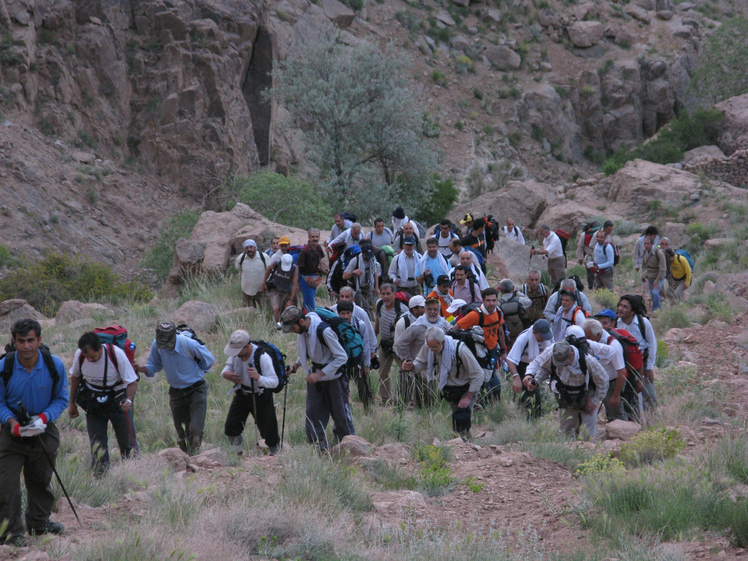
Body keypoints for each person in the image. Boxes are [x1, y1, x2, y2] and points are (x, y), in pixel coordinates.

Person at [0, 319, 68, 546]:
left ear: (39, 340)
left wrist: (43, 418)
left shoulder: (53, 365)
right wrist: (11, 422)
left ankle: (39, 523)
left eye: (31, 340)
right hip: (12, 432)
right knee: (6, 484)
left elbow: (61, 399)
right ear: (14, 342)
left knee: (41, 481)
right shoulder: (4, 368)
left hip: (43, 431)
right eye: (21, 341)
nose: (26, 346)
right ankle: (12, 533)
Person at [135, 322, 214, 455]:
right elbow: (155, 364)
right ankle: (185, 458)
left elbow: (209, 359)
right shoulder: (157, 345)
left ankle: (194, 456)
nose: (166, 348)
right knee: (181, 431)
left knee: (195, 429)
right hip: (176, 392)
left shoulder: (188, 344)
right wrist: (142, 369)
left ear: (174, 338)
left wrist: (199, 372)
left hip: (196, 389)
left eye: (169, 345)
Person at [282, 307, 354, 451]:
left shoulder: (325, 331)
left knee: (340, 415)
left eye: (293, 328)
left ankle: (348, 446)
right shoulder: (303, 331)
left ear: (301, 321)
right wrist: (296, 366)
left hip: (334, 378)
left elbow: (341, 357)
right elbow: (309, 351)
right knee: (313, 413)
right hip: (316, 377)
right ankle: (319, 448)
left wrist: (320, 374)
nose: (292, 331)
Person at [69, 331, 138, 476]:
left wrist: (129, 400)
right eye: (87, 357)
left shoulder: (116, 354)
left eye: (93, 356)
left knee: (127, 442)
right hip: (93, 401)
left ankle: (132, 474)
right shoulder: (80, 356)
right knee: (97, 443)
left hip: (118, 400)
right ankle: (100, 477)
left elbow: (131, 381)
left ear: (100, 348)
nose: (90, 360)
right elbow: (75, 377)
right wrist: (72, 403)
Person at [404, 327, 484, 440]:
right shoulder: (429, 347)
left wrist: (468, 397)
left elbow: (478, 374)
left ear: (443, 342)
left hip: (467, 388)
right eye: (429, 346)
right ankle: (466, 443)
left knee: (461, 419)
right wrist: (411, 366)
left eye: (435, 347)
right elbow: (421, 363)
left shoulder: (460, 350)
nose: (431, 349)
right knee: (457, 421)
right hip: (450, 390)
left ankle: (466, 447)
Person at [524, 339, 608, 440]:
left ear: (571, 354)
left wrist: (594, 401)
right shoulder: (552, 357)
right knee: (566, 432)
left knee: (587, 433)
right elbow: (545, 369)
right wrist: (537, 380)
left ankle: (587, 452)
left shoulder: (588, 361)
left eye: (563, 362)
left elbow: (603, 380)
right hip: (566, 396)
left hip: (587, 395)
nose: (561, 365)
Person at [221, 330, 280, 455]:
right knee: (231, 426)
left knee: (268, 430)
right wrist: (226, 374)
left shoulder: (262, 357)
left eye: (237, 351)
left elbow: (274, 382)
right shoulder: (236, 354)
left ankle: (275, 454)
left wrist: (258, 378)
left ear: (247, 347)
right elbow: (227, 368)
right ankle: (236, 452)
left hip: (261, 396)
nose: (235, 354)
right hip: (242, 393)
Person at [454, 288, 507, 404]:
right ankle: (482, 410)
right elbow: (455, 329)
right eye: (488, 300)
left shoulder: (498, 312)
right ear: (483, 300)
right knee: (487, 385)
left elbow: (500, 331)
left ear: (497, 300)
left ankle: (489, 409)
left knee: (491, 386)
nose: (491, 303)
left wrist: (503, 351)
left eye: (494, 300)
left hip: (492, 353)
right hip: (478, 355)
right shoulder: (475, 315)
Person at [595, 309, 643, 422]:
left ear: (613, 323)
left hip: (625, 380)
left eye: (605, 323)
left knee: (627, 410)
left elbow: (638, 357)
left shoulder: (619, 339)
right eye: (599, 323)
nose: (601, 326)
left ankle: (628, 434)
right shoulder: (598, 338)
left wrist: (640, 379)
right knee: (617, 411)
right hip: (615, 381)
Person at [577, 320, 628, 422]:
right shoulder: (595, 340)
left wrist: (616, 395)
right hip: (597, 382)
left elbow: (622, 372)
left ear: (598, 334)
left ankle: (622, 434)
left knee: (616, 414)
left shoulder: (614, 346)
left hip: (612, 384)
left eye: (589, 337)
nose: (586, 340)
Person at [617, 295, 657, 413]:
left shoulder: (643, 323)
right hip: (623, 364)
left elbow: (652, 344)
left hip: (642, 363)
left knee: (649, 396)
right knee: (627, 396)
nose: (620, 309)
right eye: (620, 305)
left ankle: (652, 424)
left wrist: (649, 367)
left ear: (632, 310)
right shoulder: (615, 323)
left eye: (625, 307)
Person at [507, 319, 554, 420]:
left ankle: (531, 418)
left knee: (532, 394)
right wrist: (516, 378)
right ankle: (529, 420)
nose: (545, 339)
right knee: (530, 394)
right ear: (534, 333)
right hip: (522, 366)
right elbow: (510, 360)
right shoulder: (524, 338)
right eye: (542, 336)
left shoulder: (548, 337)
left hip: (538, 365)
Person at [374, 284, 409, 406]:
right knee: (382, 373)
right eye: (383, 294)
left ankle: (404, 400)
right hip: (384, 345)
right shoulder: (379, 304)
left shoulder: (403, 309)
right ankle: (386, 400)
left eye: (388, 294)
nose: (385, 297)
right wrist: (374, 339)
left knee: (405, 373)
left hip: (398, 346)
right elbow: (377, 322)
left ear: (394, 294)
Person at [343, 241, 380, 315]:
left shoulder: (372, 260)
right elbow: (344, 276)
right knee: (367, 309)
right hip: (355, 289)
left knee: (364, 308)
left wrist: (376, 287)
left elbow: (374, 272)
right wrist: (353, 272)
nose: (368, 258)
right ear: (362, 253)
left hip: (367, 287)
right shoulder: (355, 261)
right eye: (367, 255)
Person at [296, 228, 326, 313]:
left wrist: (323, 270)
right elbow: (297, 267)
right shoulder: (304, 251)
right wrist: (298, 282)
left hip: (314, 277)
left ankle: (303, 318)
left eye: (317, 236)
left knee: (308, 301)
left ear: (319, 237)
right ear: (309, 238)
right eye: (313, 237)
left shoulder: (318, 248)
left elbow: (320, 259)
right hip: (304, 278)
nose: (315, 239)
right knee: (311, 304)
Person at [235, 239, 268, 308]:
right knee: (248, 313)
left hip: (261, 290)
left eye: (251, 247)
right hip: (246, 290)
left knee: (265, 310)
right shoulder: (241, 258)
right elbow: (239, 269)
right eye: (247, 248)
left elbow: (269, 270)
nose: (249, 249)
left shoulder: (264, 257)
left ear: (255, 248)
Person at [267, 254, 299, 322]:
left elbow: (294, 284)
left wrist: (291, 299)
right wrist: (264, 282)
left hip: (288, 292)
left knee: (289, 311)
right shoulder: (276, 264)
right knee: (275, 308)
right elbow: (269, 269)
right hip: (276, 290)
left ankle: (286, 325)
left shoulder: (295, 268)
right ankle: (278, 324)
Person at [641, 236, 666, 311]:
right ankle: (655, 309)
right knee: (652, 294)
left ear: (652, 244)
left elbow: (663, 268)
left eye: (648, 244)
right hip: (650, 276)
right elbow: (644, 265)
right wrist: (643, 275)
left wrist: (658, 281)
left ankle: (657, 310)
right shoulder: (645, 252)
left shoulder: (658, 252)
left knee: (655, 293)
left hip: (658, 276)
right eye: (645, 243)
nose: (646, 245)